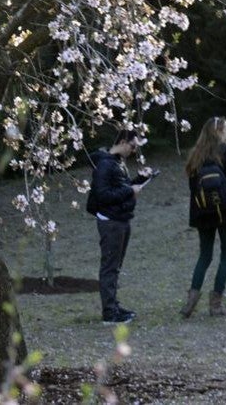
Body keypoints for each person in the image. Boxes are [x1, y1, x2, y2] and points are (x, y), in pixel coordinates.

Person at [180, 116, 226, 318]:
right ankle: (216, 305)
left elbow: (192, 188)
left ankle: (190, 302)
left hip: (202, 212)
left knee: (204, 255)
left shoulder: (195, 155)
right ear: (219, 132)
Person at [88, 130, 146, 325]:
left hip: (120, 219)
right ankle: (109, 313)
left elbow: (120, 187)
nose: (134, 150)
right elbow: (103, 195)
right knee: (110, 267)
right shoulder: (105, 164)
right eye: (132, 146)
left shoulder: (116, 162)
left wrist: (138, 180)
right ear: (123, 141)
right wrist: (130, 190)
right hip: (111, 222)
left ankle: (113, 306)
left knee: (115, 266)